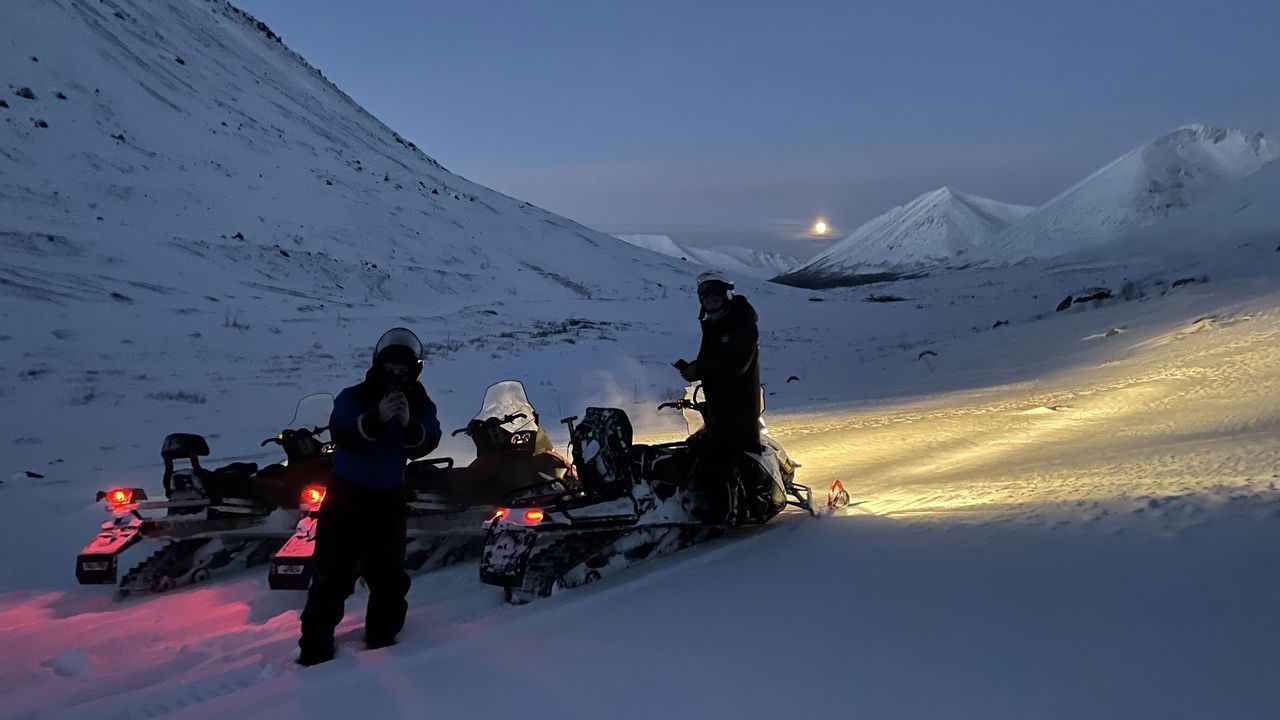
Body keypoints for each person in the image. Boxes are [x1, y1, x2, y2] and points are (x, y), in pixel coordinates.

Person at [297, 327, 441, 666]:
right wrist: (376, 418)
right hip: (347, 497)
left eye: (402, 369)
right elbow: (343, 435)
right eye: (390, 367)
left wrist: (408, 424)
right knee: (331, 576)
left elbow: (428, 439)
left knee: (389, 576)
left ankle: (383, 637)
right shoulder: (354, 395)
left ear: (413, 369)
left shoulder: (418, 400)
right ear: (379, 364)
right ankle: (314, 650)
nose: (396, 374)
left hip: (389, 499)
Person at [673, 271, 765, 522]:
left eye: (715, 298)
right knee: (706, 451)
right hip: (720, 402)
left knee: (733, 454)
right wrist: (694, 368)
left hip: (739, 403)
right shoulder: (716, 323)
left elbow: (737, 363)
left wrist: (699, 369)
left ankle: (745, 508)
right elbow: (715, 359)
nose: (711, 303)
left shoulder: (741, 323)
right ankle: (719, 506)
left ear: (726, 296)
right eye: (706, 299)